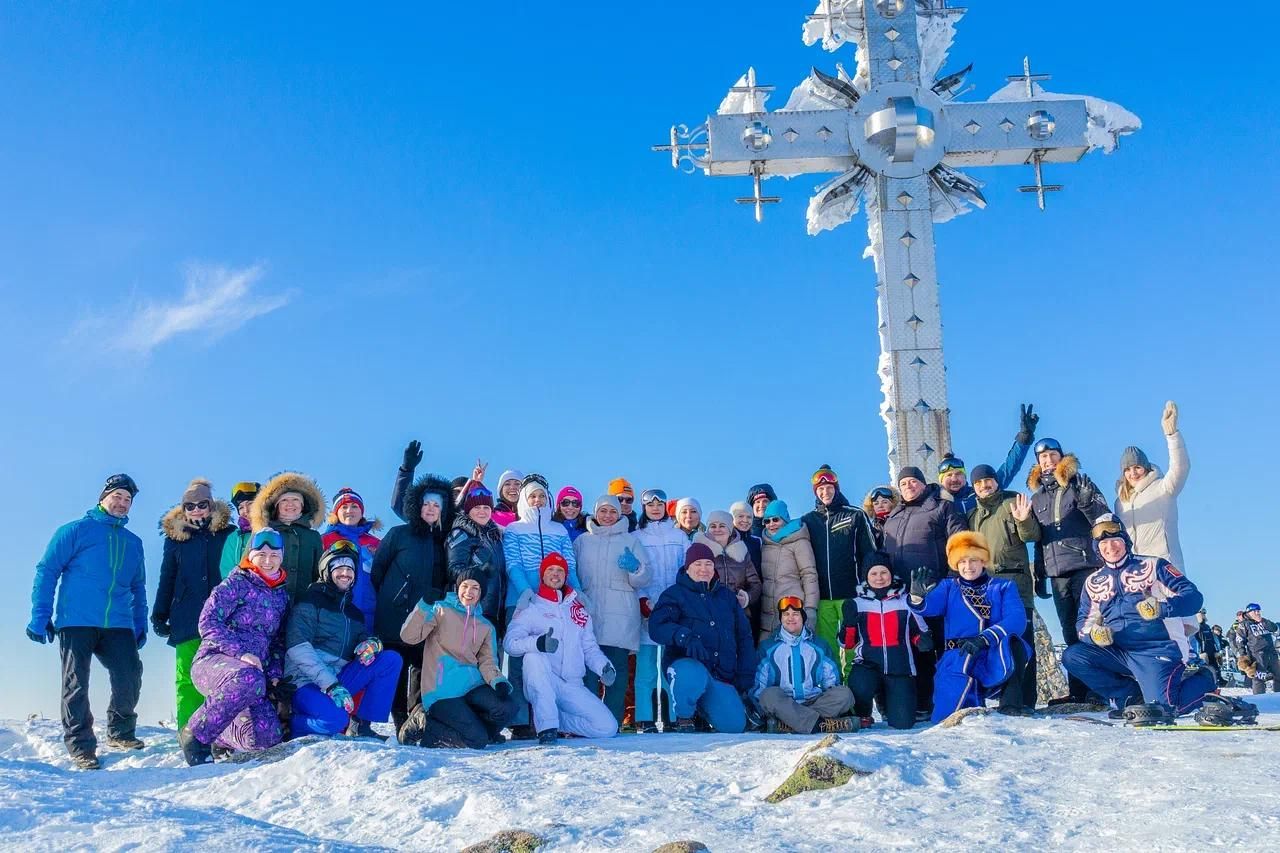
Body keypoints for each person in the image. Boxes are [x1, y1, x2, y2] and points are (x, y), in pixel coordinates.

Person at [28, 474, 147, 770]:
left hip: (118, 622)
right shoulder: (75, 531)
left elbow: (138, 587)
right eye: (116, 496)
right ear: (103, 498)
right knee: (76, 683)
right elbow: (47, 570)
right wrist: (40, 614)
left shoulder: (133, 543)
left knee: (130, 674)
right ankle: (81, 745)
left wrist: (139, 621)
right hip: (76, 620)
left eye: (127, 500)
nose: (121, 503)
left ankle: (120, 732)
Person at [1061, 515, 1214, 715]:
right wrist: (1094, 636)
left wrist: (1162, 608)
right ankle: (1131, 697)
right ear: (1097, 548)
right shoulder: (1093, 582)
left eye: (1116, 540)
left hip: (1158, 649)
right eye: (1104, 543)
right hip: (1120, 651)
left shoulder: (1154, 566)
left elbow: (1193, 598)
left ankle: (1206, 680)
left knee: (1163, 710)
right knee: (1073, 656)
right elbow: (1083, 624)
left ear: (1126, 541)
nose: (1111, 547)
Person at [180, 528, 291, 765]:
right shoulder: (236, 583)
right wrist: (241, 653)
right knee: (247, 677)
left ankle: (221, 737)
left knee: (266, 738)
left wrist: (273, 676)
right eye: (261, 554)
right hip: (214, 663)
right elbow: (208, 621)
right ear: (250, 556)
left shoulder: (281, 597)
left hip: (253, 677)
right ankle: (195, 735)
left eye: (274, 555)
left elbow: (278, 642)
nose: (268, 560)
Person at [908, 531, 1031, 721]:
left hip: (993, 654)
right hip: (957, 656)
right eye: (962, 561)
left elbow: (1016, 619)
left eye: (973, 560)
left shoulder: (1004, 586)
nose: (968, 566)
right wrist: (917, 597)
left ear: (983, 561)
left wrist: (984, 638)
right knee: (946, 718)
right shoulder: (949, 587)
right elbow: (929, 607)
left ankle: (1010, 706)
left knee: (1014, 644)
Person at [286, 543, 403, 739]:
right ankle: (289, 724)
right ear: (326, 571)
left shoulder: (353, 612)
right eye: (338, 568)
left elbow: (360, 638)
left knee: (389, 659)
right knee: (335, 720)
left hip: (338, 678)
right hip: (306, 680)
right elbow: (298, 649)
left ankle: (362, 726)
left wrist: (371, 644)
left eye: (349, 569)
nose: (345, 573)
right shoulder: (310, 602)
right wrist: (331, 685)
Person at [1025, 439, 1111, 703]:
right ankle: (1078, 690)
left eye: (1052, 455)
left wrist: (1087, 504)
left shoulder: (1079, 485)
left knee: (1091, 628)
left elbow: (1104, 520)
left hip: (1085, 565)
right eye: (1043, 458)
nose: (1048, 461)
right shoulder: (1037, 497)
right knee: (1069, 631)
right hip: (1056, 571)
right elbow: (1040, 540)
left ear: (1062, 457)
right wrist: (1039, 574)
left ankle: (1099, 689)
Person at [503, 553, 619, 744]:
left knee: (607, 727)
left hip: (572, 684)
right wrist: (537, 643)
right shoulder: (531, 607)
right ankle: (547, 728)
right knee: (533, 657)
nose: (555, 574)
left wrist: (603, 667)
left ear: (565, 576)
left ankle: (557, 721)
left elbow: (589, 648)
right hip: (544, 678)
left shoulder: (578, 610)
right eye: (550, 570)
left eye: (560, 571)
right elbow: (510, 643)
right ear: (542, 574)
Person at [371, 473, 456, 732]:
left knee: (422, 667)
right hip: (395, 614)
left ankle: (416, 718)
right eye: (427, 503)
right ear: (417, 505)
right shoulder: (399, 534)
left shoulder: (443, 540)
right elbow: (378, 571)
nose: (431, 509)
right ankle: (397, 720)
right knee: (396, 666)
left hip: (427, 618)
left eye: (437, 505)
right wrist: (393, 596)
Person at [397, 569, 517, 748]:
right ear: (457, 587)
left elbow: (488, 662)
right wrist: (423, 606)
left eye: (475, 588)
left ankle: (478, 732)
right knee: (477, 741)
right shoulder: (440, 610)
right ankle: (424, 721)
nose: (469, 592)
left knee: (508, 708)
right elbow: (408, 636)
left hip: (471, 686)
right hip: (442, 690)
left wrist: (498, 681)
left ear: (481, 592)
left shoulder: (485, 626)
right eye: (465, 586)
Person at [501, 474, 581, 736]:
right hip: (521, 600)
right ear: (524, 499)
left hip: (553, 601)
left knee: (552, 656)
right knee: (518, 657)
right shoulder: (514, 529)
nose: (537, 501)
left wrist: (578, 592)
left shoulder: (558, 530)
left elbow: (569, 563)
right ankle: (519, 720)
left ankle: (548, 717)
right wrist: (525, 590)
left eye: (541, 497)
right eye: (532, 496)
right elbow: (513, 562)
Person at [648, 543, 756, 733]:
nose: (703, 569)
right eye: (698, 564)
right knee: (691, 674)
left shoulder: (727, 597)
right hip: (687, 668)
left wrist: (744, 676)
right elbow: (657, 627)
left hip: (721, 674)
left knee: (734, 726)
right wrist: (683, 636)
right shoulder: (675, 594)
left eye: (708, 564)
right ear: (687, 567)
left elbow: (744, 638)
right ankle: (684, 717)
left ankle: (705, 709)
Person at [153, 478, 234, 729]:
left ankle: (217, 732)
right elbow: (167, 577)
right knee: (187, 677)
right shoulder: (176, 539)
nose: (196, 510)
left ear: (211, 505)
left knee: (219, 676)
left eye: (201, 504)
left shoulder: (227, 535)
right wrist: (160, 613)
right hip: (186, 616)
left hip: (222, 619)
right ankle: (187, 731)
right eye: (190, 506)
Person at [966, 465, 1040, 709]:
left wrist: (1024, 519)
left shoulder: (1012, 503)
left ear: (996, 482)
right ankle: (1006, 699)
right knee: (996, 644)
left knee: (1021, 643)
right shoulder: (973, 516)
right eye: (978, 483)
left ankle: (1026, 701)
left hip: (1015, 586)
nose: (984, 486)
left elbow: (1031, 536)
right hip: (986, 592)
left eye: (988, 481)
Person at [573, 496, 652, 724]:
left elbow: (645, 577)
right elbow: (573, 575)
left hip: (621, 616)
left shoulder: (631, 541)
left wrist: (636, 568)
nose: (607, 515)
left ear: (620, 514)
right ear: (595, 513)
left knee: (616, 674)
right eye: (603, 510)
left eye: (612, 511)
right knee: (587, 673)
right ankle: (588, 721)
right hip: (588, 614)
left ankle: (613, 721)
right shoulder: (582, 542)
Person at [800, 465, 877, 674]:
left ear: (837, 488)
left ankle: (854, 696)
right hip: (822, 597)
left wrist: (867, 589)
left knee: (852, 647)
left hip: (850, 595)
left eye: (829, 487)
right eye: (820, 489)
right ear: (815, 492)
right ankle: (834, 694)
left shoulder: (854, 515)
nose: (825, 492)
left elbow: (869, 554)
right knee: (827, 649)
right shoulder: (808, 521)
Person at [841, 555, 929, 729]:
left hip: (900, 668)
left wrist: (922, 639)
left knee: (903, 724)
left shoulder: (905, 601)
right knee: (860, 685)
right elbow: (847, 644)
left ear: (891, 574)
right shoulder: (856, 604)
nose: (879, 578)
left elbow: (920, 633)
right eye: (873, 573)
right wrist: (849, 625)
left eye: (883, 572)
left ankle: (888, 699)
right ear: (866, 576)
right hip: (868, 666)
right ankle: (863, 713)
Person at [753, 596, 855, 733]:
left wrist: (831, 694)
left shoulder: (819, 645)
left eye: (795, 614)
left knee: (845, 694)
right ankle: (822, 724)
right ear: (781, 618)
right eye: (786, 614)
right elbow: (759, 685)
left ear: (803, 617)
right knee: (768, 695)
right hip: (784, 701)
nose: (791, 618)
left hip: (814, 700)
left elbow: (831, 680)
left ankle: (788, 723)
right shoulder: (768, 647)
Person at [633, 488, 689, 732]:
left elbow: (687, 570)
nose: (655, 508)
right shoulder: (637, 537)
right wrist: (642, 600)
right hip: (648, 609)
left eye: (660, 504)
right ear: (643, 508)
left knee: (670, 665)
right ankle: (645, 718)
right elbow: (633, 572)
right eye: (650, 504)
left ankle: (671, 716)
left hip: (674, 610)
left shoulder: (679, 536)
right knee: (646, 666)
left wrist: (682, 601)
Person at [1114, 401, 1190, 568]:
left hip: (1165, 567)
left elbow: (1180, 467)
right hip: (1135, 572)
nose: (1132, 473)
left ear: (1146, 468)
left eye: (1137, 467)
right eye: (1127, 469)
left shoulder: (1163, 489)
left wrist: (1172, 435)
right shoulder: (1121, 503)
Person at [934, 403, 1039, 516]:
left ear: (965, 477)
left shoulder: (979, 493)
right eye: (948, 475)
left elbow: (1009, 469)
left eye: (958, 474)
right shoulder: (933, 502)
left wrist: (1024, 439)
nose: (954, 479)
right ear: (940, 480)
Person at [249, 471, 326, 602]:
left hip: (302, 606)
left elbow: (318, 574)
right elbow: (247, 569)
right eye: (284, 500)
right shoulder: (263, 533)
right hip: (266, 605)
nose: (290, 504)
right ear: (276, 506)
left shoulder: (313, 536)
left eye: (295, 499)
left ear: (302, 506)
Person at [321, 487, 382, 632]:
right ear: (336, 513)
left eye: (355, 506)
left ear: (361, 512)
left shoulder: (375, 543)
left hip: (368, 612)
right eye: (344, 507)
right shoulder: (325, 540)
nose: (350, 510)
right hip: (335, 611)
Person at [759, 499, 819, 642]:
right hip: (767, 616)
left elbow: (809, 574)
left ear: (785, 519)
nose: (771, 524)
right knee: (766, 658)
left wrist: (810, 609)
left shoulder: (798, 541)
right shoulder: (764, 545)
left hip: (791, 610)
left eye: (775, 519)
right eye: (767, 521)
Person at [446, 485, 506, 626]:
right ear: (468, 510)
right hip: (469, 610)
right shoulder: (460, 534)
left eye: (486, 508)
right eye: (476, 507)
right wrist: (479, 567)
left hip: (494, 611)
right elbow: (454, 569)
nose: (482, 512)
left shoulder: (495, 536)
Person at [694, 510, 762, 621]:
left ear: (730, 530)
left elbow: (755, 584)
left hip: (738, 614)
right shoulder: (699, 550)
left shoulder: (742, 552)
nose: (717, 530)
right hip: (708, 615)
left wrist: (746, 598)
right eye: (712, 526)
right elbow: (690, 583)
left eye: (722, 526)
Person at [219, 481, 260, 579]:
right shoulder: (234, 538)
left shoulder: (273, 530)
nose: (246, 510)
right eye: (241, 507)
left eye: (250, 503)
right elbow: (227, 573)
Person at [1236, 604, 1279, 694]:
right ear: (1249, 612)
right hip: (1257, 655)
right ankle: (1259, 698)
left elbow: (1274, 628)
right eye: (1255, 611)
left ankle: (1278, 695)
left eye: (1258, 611)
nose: (1257, 613)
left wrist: (1263, 621)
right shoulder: (1244, 624)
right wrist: (1243, 656)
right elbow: (1239, 640)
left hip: (1271, 652)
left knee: (1278, 675)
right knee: (1259, 678)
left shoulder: (1263, 622)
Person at [730, 501, 763, 577]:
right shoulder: (726, 540)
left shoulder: (757, 542)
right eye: (740, 516)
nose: (745, 520)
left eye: (749, 517)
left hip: (756, 586)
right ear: (732, 518)